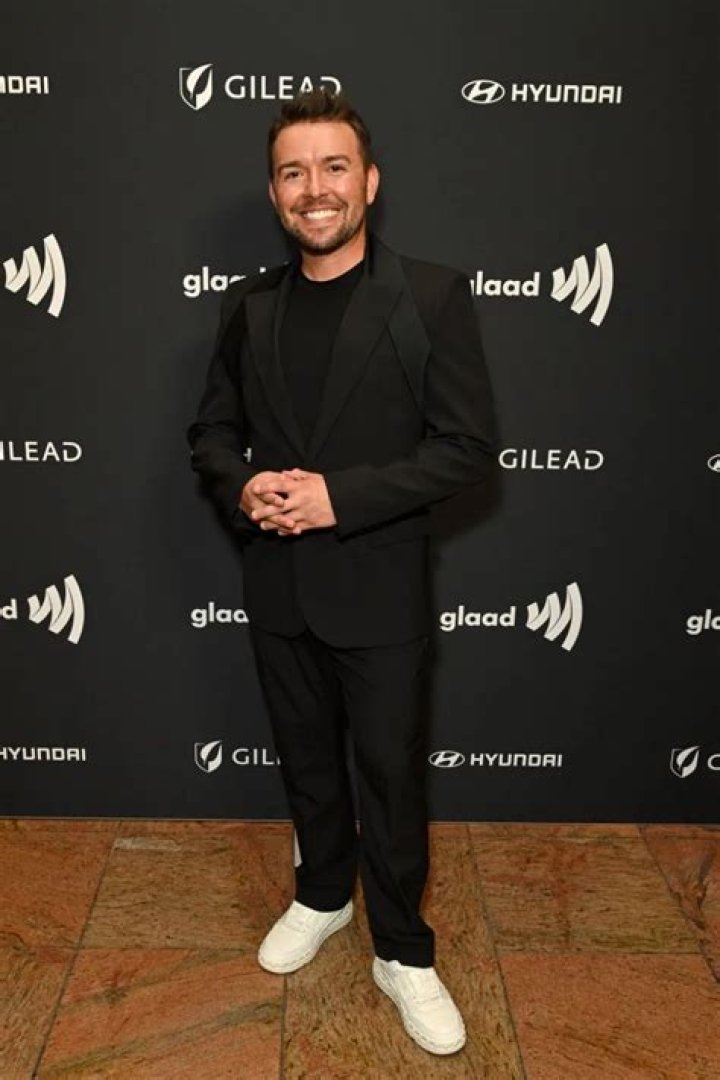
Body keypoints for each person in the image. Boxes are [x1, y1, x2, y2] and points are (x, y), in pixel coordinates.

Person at [187, 87, 496, 1056]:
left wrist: (338, 499)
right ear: (274, 193)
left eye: (332, 167)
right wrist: (243, 487)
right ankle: (322, 894)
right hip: (278, 586)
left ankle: (402, 950)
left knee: (391, 776)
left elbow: (466, 449)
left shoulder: (431, 296)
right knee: (307, 761)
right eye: (293, 172)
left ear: (368, 181)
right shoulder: (248, 307)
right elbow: (211, 434)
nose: (313, 189)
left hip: (380, 588)